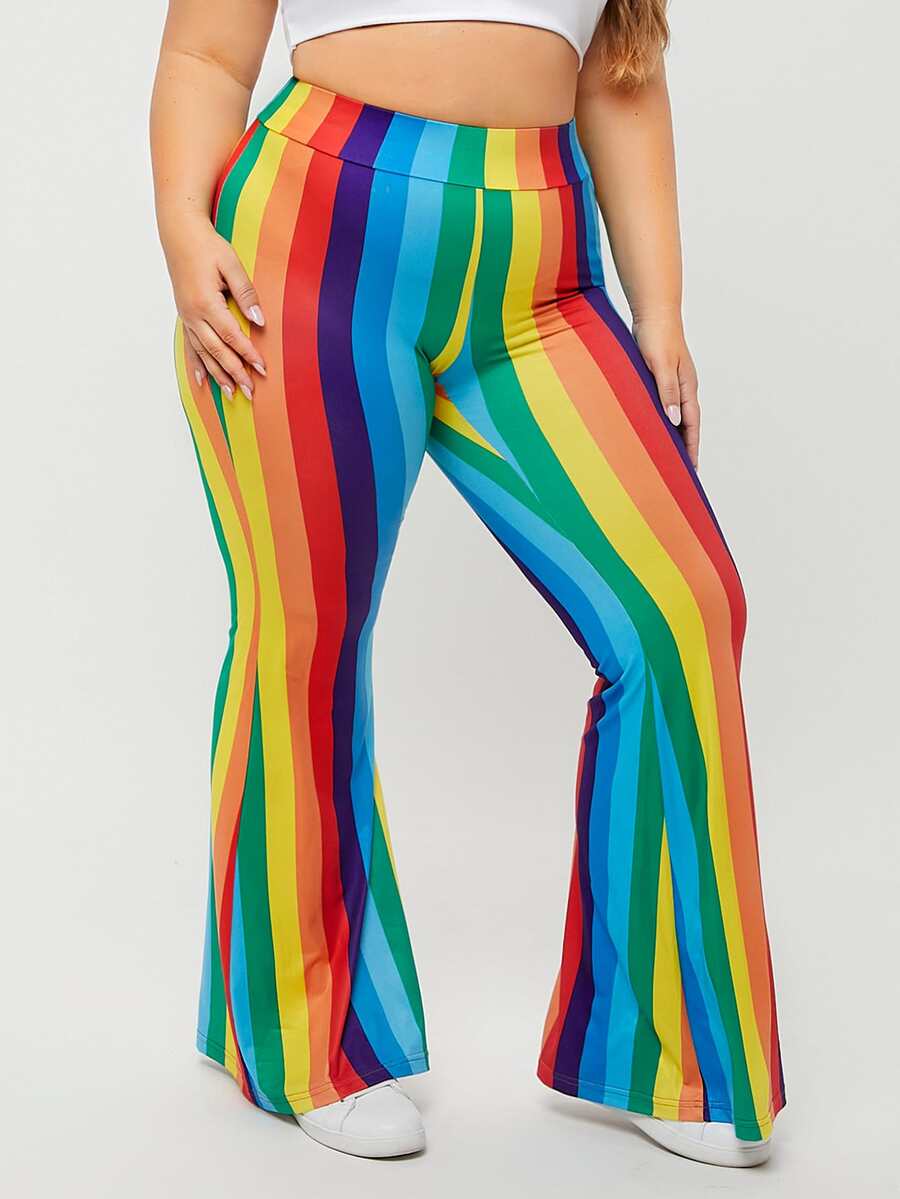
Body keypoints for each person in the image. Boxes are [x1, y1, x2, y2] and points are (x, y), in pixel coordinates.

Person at [150, 0, 785, 1169]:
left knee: (681, 605)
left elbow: (622, 75)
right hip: (311, 241)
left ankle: (665, 1053)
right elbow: (205, 48)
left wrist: (661, 311)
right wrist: (185, 228)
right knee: (306, 633)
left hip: (541, 273)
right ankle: (304, 1042)